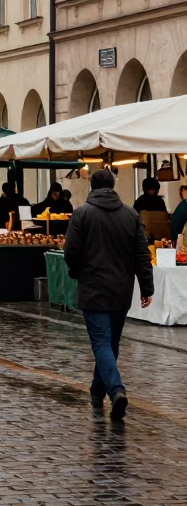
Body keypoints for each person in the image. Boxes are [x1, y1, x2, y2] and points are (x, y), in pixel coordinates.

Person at [64, 168, 153, 421]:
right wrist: (147, 287)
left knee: (102, 343)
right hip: (121, 289)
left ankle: (116, 390)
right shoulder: (130, 214)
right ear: (113, 185)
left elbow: (70, 251)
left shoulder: (82, 214)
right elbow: (141, 255)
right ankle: (96, 391)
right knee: (110, 343)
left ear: (91, 187)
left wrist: (75, 270)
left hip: (93, 289)